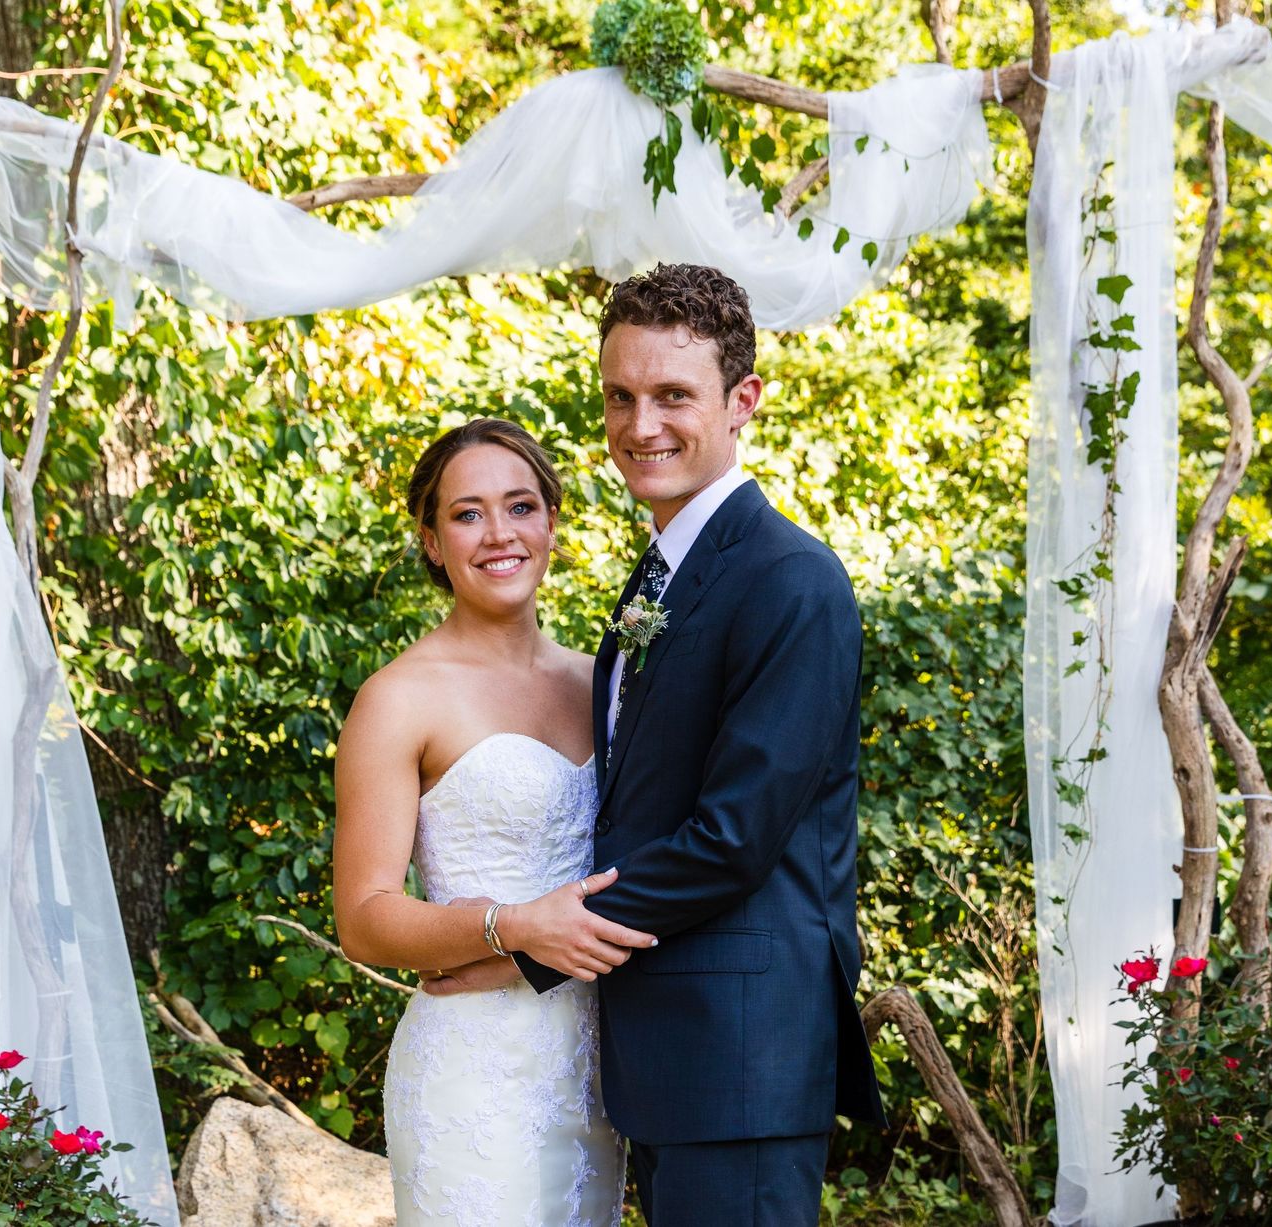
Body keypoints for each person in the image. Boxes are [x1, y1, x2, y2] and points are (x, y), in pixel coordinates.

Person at [429, 263, 885, 1226]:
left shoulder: (790, 581)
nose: (642, 427)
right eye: (621, 396)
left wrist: (531, 952)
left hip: (742, 1060)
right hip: (670, 1055)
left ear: (742, 400)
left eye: (674, 394)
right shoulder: (664, 574)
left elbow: (731, 839)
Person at [332, 417, 649, 1225]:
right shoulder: (398, 697)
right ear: (433, 541)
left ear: (551, 522)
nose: (498, 533)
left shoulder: (602, 682)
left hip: (595, 1069)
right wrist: (511, 927)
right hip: (471, 1077)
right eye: (467, 513)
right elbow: (365, 919)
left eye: (519, 506)